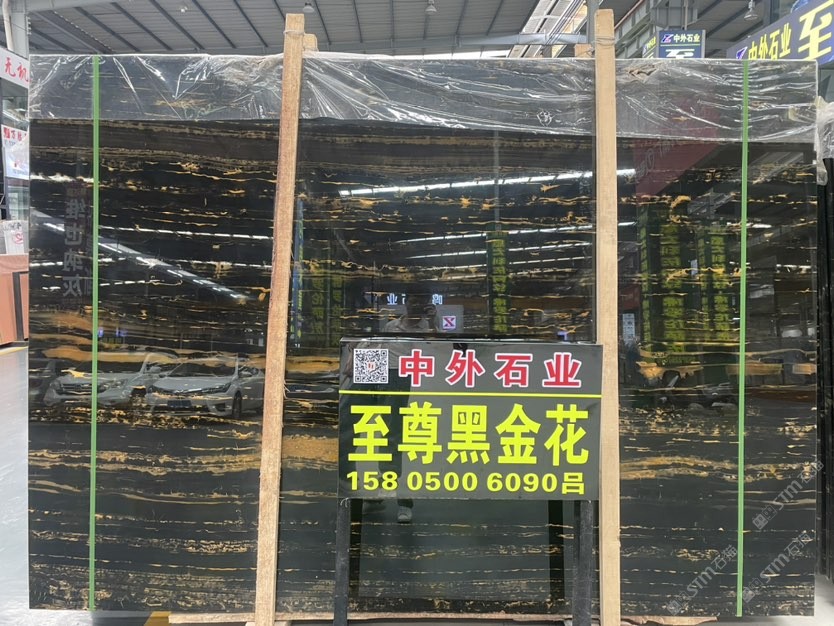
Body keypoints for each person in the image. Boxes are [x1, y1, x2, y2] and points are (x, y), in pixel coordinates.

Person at [376, 288, 438, 523]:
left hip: (420, 384)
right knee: (388, 435)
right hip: (391, 381)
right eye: (414, 299)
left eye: (422, 300)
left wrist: (432, 323)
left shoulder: (429, 328)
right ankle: (385, 490)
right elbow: (379, 352)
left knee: (412, 440)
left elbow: (441, 350)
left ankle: (402, 499)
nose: (417, 304)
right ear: (406, 302)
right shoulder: (391, 327)